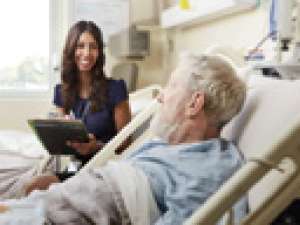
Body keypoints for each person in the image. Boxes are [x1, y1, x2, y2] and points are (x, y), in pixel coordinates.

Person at [3, 52, 247, 225]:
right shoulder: (165, 144)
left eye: (171, 86)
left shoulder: (213, 167)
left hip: (105, 203)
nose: (161, 96)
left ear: (194, 103)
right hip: (75, 194)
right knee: (26, 197)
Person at [25, 20, 131, 192]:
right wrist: (55, 133)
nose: (86, 53)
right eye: (80, 46)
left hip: (104, 167)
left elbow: (126, 145)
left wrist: (95, 146)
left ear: (100, 52)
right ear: (71, 50)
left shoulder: (115, 89)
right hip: (76, 165)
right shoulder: (62, 91)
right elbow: (60, 142)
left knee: (56, 192)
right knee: (33, 186)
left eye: (93, 46)